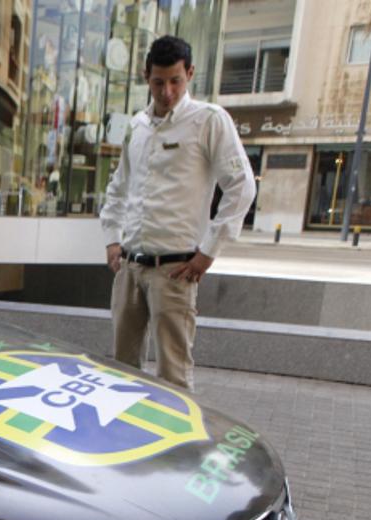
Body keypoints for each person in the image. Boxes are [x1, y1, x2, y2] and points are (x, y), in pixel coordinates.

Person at [99, 35, 254, 390]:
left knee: (173, 376)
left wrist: (208, 251)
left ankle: (177, 446)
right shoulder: (137, 127)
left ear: (190, 74)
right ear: (145, 77)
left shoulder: (209, 120)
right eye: (158, 82)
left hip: (176, 271)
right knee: (122, 371)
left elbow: (242, 186)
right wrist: (112, 239)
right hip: (130, 266)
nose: (167, 91)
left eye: (175, 81)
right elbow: (119, 186)